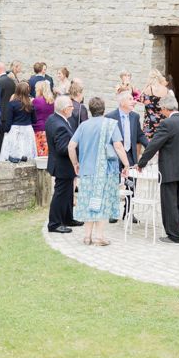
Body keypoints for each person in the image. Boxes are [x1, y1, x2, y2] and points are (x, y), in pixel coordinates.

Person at [68, 97, 131, 246]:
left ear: (90, 109)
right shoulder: (110, 124)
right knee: (103, 202)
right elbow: (118, 147)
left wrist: (75, 164)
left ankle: (87, 236)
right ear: (104, 109)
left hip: (87, 170)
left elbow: (71, 146)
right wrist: (126, 164)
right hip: (106, 172)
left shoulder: (83, 125)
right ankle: (99, 237)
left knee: (90, 202)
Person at [137, 95, 179, 244]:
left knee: (169, 202)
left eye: (161, 109)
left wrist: (141, 163)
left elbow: (153, 145)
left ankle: (173, 235)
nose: (161, 113)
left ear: (165, 108)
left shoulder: (167, 124)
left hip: (170, 169)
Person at [106, 90, 150, 222]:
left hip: (130, 155)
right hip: (115, 155)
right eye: (130, 99)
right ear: (122, 102)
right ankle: (112, 212)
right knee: (113, 183)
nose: (134, 101)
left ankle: (128, 212)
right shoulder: (110, 116)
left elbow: (140, 135)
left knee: (132, 184)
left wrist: (151, 147)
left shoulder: (135, 116)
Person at [46, 95, 84, 233]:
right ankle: (54, 223)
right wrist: (78, 147)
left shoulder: (54, 119)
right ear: (64, 109)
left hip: (61, 164)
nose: (72, 109)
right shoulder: (59, 125)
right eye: (70, 107)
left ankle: (68, 218)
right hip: (62, 165)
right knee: (61, 194)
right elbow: (63, 148)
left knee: (68, 193)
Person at [0, 81, 37, 161]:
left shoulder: (12, 104)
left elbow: (8, 122)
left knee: (14, 154)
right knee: (28, 154)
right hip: (27, 130)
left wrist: (5, 130)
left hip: (15, 130)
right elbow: (34, 120)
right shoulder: (30, 104)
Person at [0, 60, 16, 158]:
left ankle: (0, 156)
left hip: (0, 112)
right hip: (10, 112)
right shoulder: (12, 81)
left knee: (0, 139)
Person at [141, 69, 169, 139]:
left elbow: (141, 99)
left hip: (150, 121)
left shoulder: (149, 89)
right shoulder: (165, 89)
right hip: (163, 120)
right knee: (161, 142)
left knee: (150, 144)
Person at [33, 80, 55, 157]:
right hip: (49, 128)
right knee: (47, 151)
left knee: (40, 152)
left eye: (36, 88)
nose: (35, 89)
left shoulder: (36, 101)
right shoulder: (52, 101)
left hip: (38, 128)